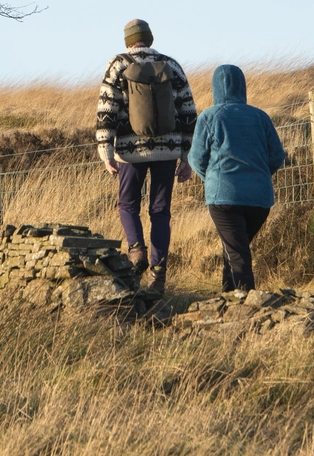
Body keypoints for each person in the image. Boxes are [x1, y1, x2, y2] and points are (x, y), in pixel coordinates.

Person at [95, 18, 197, 292]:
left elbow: (107, 109)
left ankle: (136, 249)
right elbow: (188, 112)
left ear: (128, 40)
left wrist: (105, 150)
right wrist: (187, 156)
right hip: (167, 151)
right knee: (160, 211)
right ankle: (158, 274)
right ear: (150, 38)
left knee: (127, 205)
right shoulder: (171, 65)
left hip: (130, 151)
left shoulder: (118, 64)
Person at [187, 64, 288, 293]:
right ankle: (227, 299)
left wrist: (213, 178)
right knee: (234, 249)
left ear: (214, 87)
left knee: (237, 253)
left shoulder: (209, 116)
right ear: (243, 86)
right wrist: (259, 176)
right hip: (260, 200)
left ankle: (246, 307)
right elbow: (277, 156)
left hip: (224, 199)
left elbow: (195, 159)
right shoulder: (260, 117)